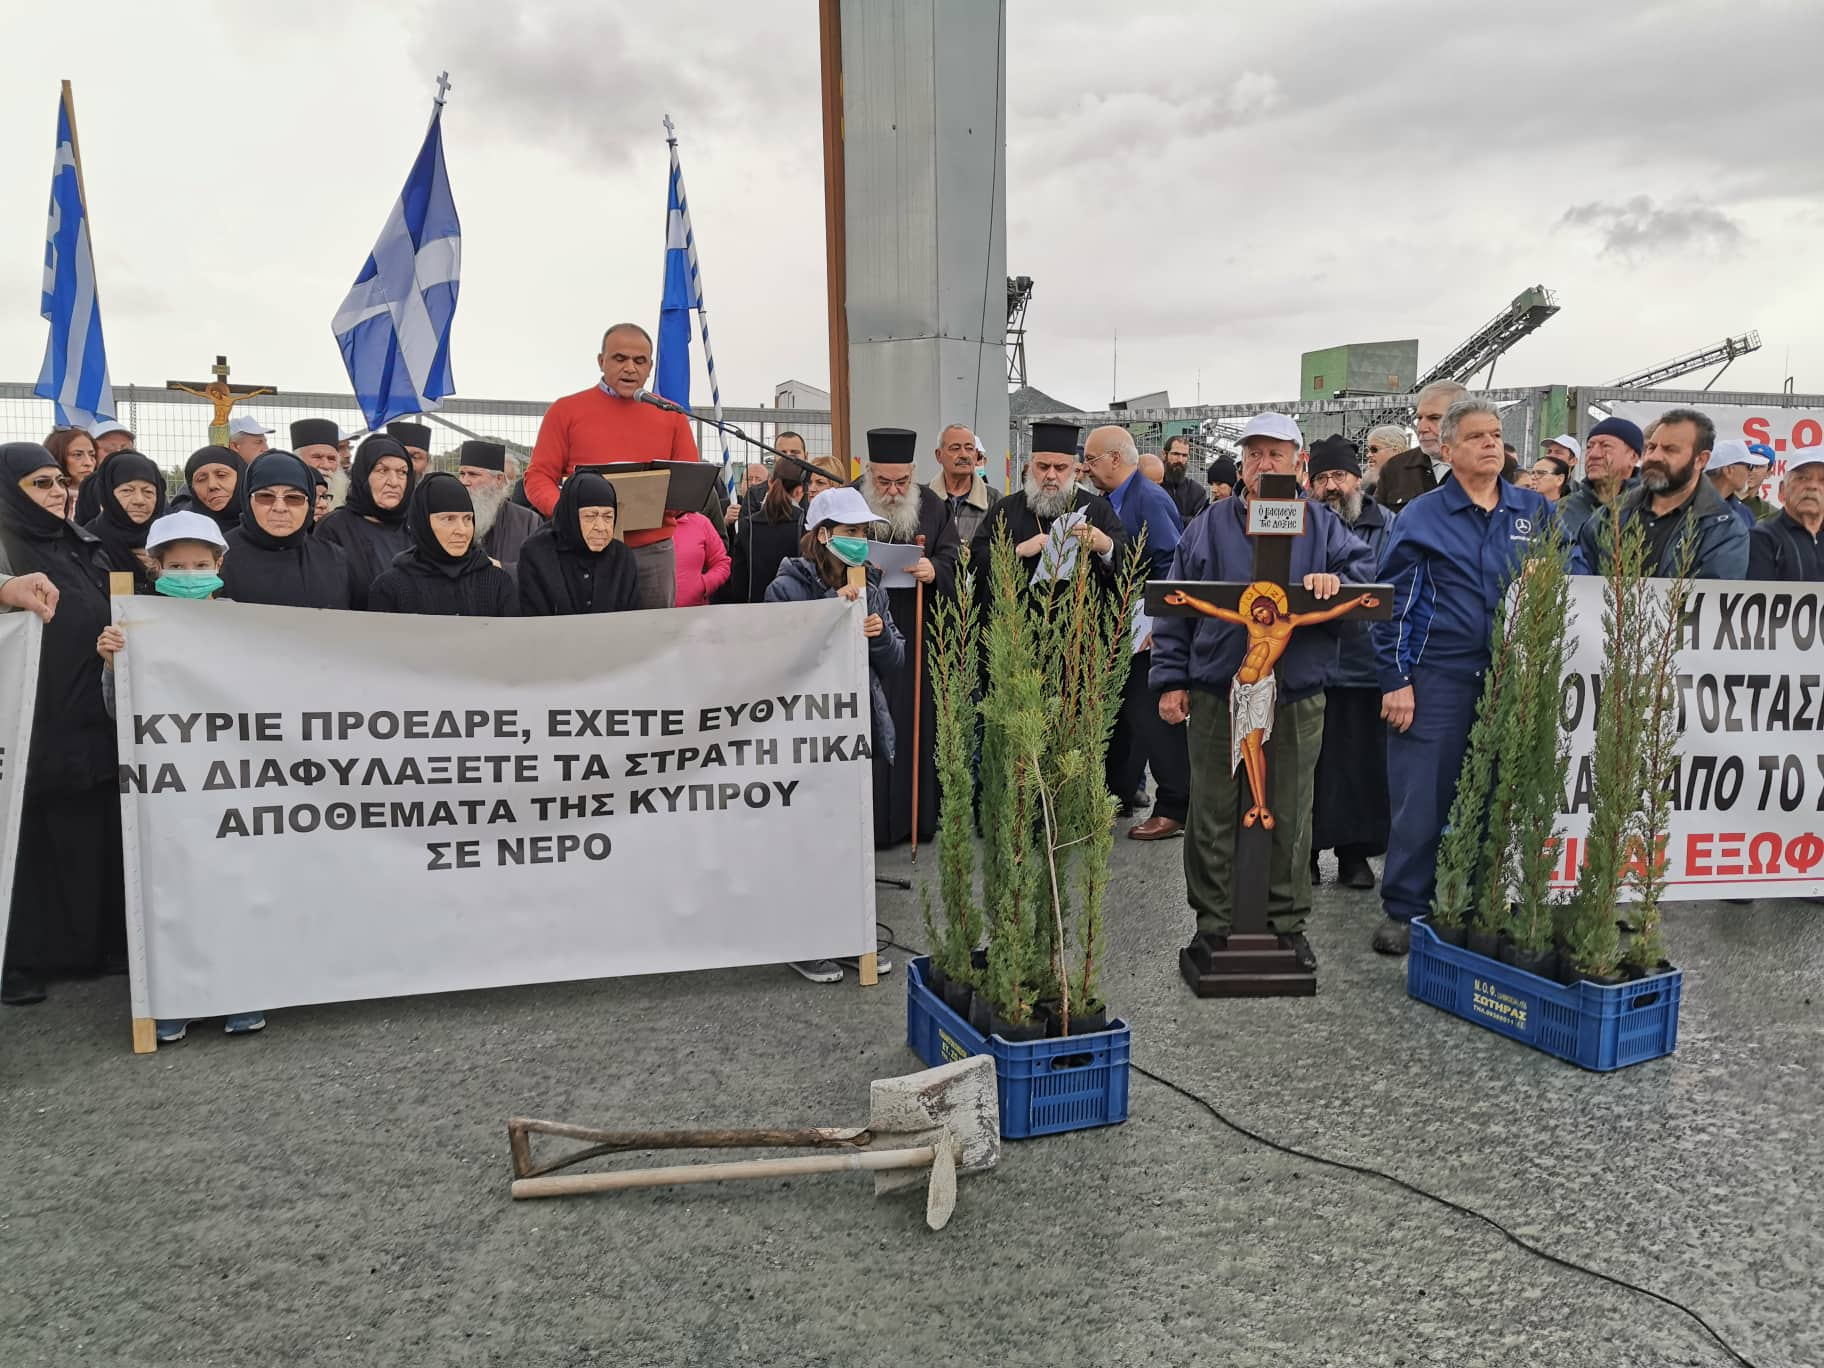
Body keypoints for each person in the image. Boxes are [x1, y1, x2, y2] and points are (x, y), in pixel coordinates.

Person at [1150, 414, 1376, 973]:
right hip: (1215, 692)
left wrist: (1335, 584)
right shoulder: (1207, 527)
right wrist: (1171, 679)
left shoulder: (1322, 526)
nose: (1262, 464)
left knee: (1290, 810)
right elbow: (1177, 607)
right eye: (1252, 454)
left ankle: (1285, 921)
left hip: (1295, 694)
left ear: (1298, 462)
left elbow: (1362, 587)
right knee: (1213, 810)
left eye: (1275, 454)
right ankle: (1214, 922)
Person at [1372, 397, 1552, 956]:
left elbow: (1559, 586)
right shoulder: (1421, 516)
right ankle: (1406, 908)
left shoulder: (1533, 511)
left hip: (1511, 675)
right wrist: (1394, 680)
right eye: (1476, 436)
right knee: (1421, 797)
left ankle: (1479, 900)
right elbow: (1392, 603)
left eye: (1496, 435)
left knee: (1499, 789)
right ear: (1447, 450)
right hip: (1437, 676)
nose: (1491, 444)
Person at [95, 510, 266, 1038]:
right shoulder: (133, 626)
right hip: (167, 789)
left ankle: (242, 990)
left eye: (199, 564)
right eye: (177, 565)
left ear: (219, 563)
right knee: (171, 889)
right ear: (154, 566)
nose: (190, 573)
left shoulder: (244, 623)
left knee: (237, 887)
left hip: (234, 781)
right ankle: (172, 999)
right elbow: (115, 713)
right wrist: (109, 664)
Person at [764, 485, 905, 983]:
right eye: (851, 533)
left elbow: (895, 660)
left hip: (858, 728)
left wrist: (879, 634)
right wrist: (830, 609)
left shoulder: (873, 584)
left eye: (865, 532)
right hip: (808, 735)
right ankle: (805, 941)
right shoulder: (786, 586)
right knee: (809, 838)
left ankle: (850, 937)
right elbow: (783, 660)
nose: (861, 542)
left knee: (851, 837)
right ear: (822, 536)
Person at [0, 442, 120, 1006]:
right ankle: (19, 957)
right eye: (40, 485)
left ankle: (87, 946)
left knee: (84, 828)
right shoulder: (6, 544)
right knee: (27, 841)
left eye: (59, 483)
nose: (57, 493)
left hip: (87, 715)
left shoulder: (83, 546)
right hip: (26, 722)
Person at [526, 323, 700, 609]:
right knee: (585, 640)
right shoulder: (565, 411)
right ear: (601, 361)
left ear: (650, 366)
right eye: (620, 358)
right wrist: (570, 515)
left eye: (640, 361)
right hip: (582, 549)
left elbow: (688, 482)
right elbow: (538, 477)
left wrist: (660, 505)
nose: (630, 368)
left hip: (652, 552)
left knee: (653, 641)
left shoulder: (672, 415)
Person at [1081, 425, 1186, 832]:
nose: (1086, 467)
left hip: (1149, 628)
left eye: (1091, 459)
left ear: (1114, 458)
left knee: (1155, 717)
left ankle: (1174, 806)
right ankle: (1119, 795)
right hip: (1121, 625)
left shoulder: (1149, 499)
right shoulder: (1112, 500)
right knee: (1125, 715)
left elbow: (1171, 564)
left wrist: (1162, 623)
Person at [1304, 436, 1397, 890]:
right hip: (1310, 665)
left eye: (1338, 476)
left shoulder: (1389, 525)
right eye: (1321, 478)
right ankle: (1304, 852)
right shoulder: (1301, 525)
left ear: (1357, 479)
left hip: (1365, 667)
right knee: (1310, 767)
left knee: (1360, 768)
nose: (1330, 487)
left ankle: (1354, 855)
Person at [1570, 409, 1748, 581]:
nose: (1655, 457)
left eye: (1670, 449)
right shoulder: (1609, 515)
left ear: (1701, 459)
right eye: (1651, 447)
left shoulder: (1723, 529)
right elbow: (1581, 587)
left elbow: (1708, 603)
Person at [369, 473, 518, 616]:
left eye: (467, 519)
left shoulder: (497, 582)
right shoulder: (390, 588)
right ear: (423, 523)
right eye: (448, 519)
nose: (461, 530)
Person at [219, 451, 354, 610]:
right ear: (248, 501)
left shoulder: (333, 558)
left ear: (309, 503)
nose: (280, 508)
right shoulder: (217, 558)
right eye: (266, 496)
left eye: (293, 498)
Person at [516, 472, 642, 616]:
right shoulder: (537, 554)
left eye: (608, 517)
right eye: (590, 516)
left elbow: (631, 619)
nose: (601, 527)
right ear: (570, 516)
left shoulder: (622, 558)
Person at [314, 435, 417, 608]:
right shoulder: (334, 528)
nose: (393, 482)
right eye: (382, 471)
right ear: (363, 474)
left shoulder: (416, 528)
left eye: (402, 472)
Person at [81, 449, 167, 592]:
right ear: (108, 494)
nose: (139, 500)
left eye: (148, 492)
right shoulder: (86, 544)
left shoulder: (169, 542)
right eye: (127, 491)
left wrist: (163, 572)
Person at [455, 439, 543, 578]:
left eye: (473, 474)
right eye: (462, 474)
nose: (464, 481)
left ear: (499, 480)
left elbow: (539, 570)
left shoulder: (528, 521)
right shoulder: (451, 516)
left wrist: (500, 567)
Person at [1375, 380, 1466, 511]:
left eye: (1434, 418)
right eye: (1419, 418)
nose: (1421, 428)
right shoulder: (1395, 469)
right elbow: (1377, 524)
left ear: (1463, 419)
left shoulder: (1492, 466)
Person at [1555, 417, 1642, 542]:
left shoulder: (1651, 506)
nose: (1593, 454)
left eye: (1606, 446)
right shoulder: (1564, 509)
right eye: (1589, 447)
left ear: (1633, 457)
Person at [1747, 450, 1824, 581]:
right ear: (1782, 490)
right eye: (1802, 478)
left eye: (1823, 480)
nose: (1812, 486)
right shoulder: (1762, 538)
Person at [927, 423, 1000, 546]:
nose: (964, 455)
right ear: (939, 455)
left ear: (976, 455)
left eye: (969, 448)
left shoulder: (994, 500)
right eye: (955, 448)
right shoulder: (924, 499)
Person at [172, 446, 246, 536]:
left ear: (241, 477)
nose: (212, 485)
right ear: (192, 489)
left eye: (221, 475)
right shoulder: (180, 533)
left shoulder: (264, 523)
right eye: (201, 479)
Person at [671, 507, 732, 606]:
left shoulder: (701, 523)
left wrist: (704, 584)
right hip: (650, 614)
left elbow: (722, 563)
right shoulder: (645, 526)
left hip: (695, 613)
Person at [1705, 439, 1770, 529]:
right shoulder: (1689, 506)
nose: (1750, 472)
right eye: (1749, 466)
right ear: (1729, 470)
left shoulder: (1743, 513)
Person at [1161, 433, 1209, 524]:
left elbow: (1199, 525)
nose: (1180, 460)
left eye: (1184, 455)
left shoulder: (1197, 491)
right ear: (1164, 454)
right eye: (1175, 454)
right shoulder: (1155, 485)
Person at [46, 426, 98, 496]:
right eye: (77, 455)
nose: (88, 463)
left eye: (92, 455)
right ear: (57, 457)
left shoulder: (107, 496)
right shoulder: (43, 499)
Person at [1361, 425, 1410, 495]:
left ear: (1395, 451)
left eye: (1374, 449)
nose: (1368, 455)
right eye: (1367, 450)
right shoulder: (1368, 484)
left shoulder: (1411, 483)